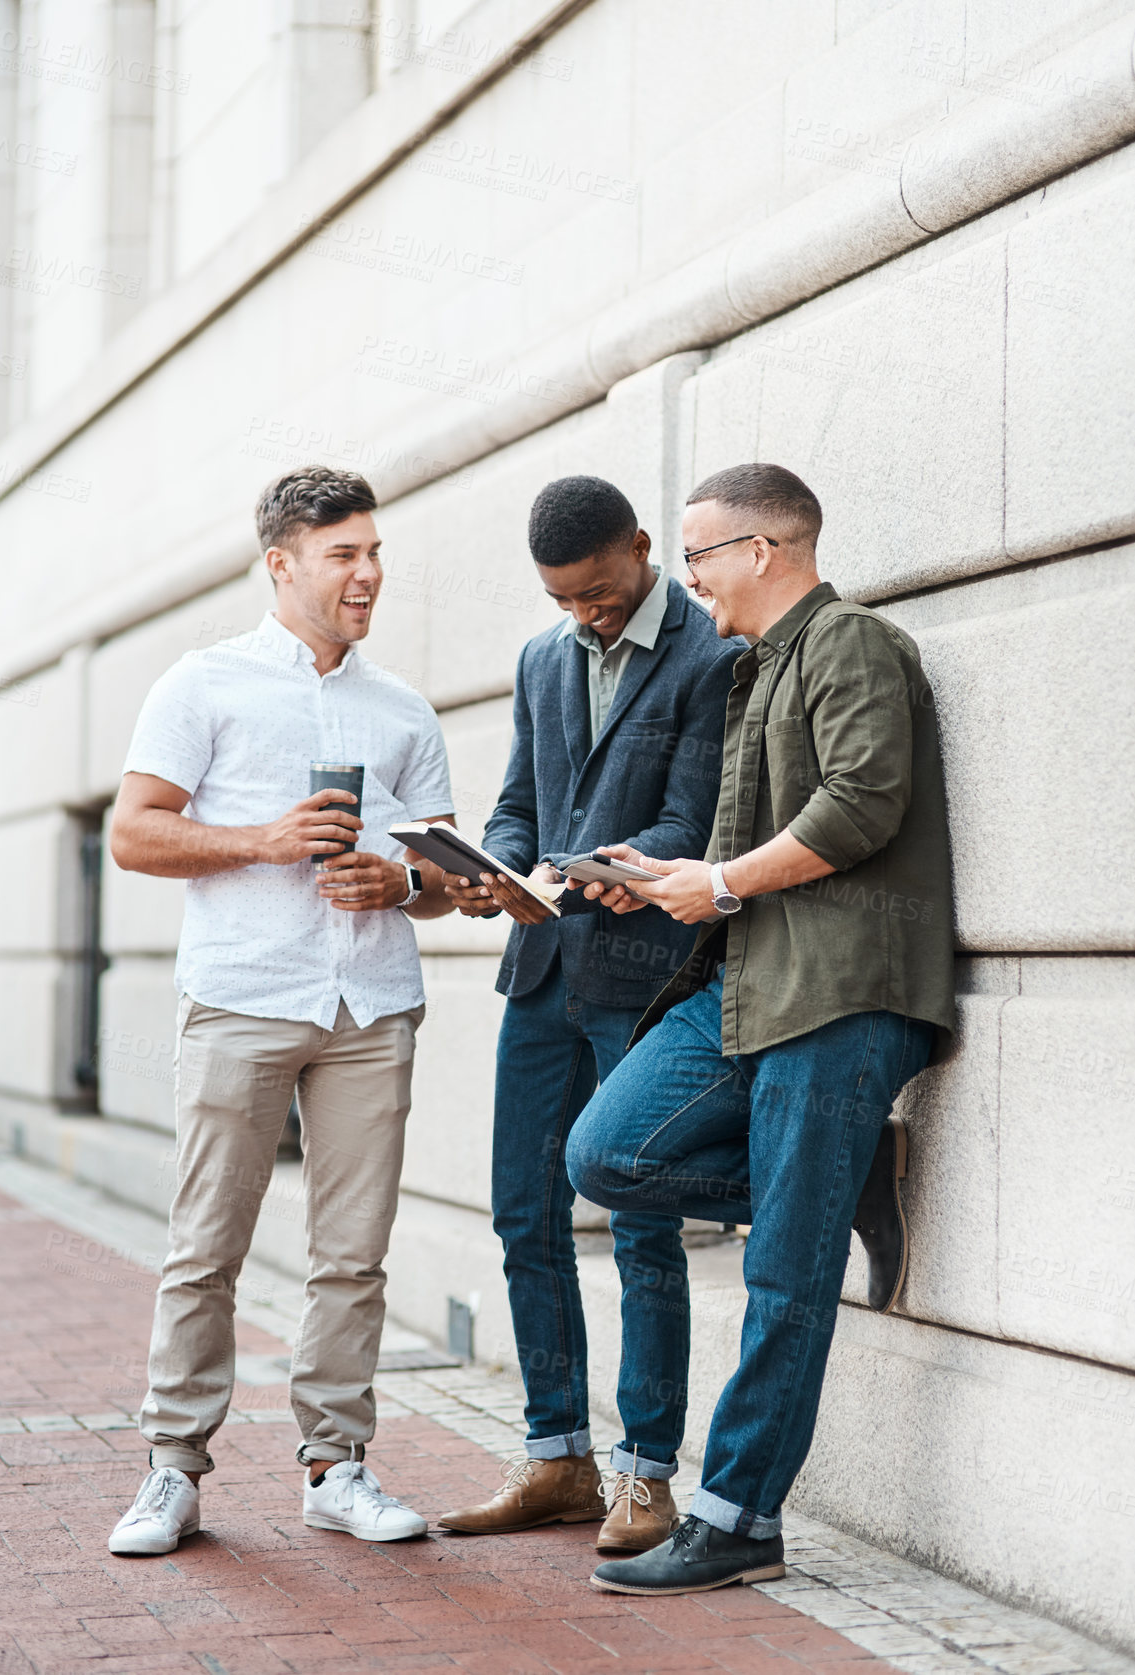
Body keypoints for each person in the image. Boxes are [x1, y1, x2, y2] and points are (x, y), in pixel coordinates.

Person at [566, 463, 955, 1596]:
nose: (685, 581)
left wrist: (724, 881)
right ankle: (843, 1178)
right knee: (608, 1152)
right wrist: (670, 878)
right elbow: (743, 854)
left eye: (695, 556)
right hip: (747, 983)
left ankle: (736, 1518)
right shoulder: (753, 671)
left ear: (762, 551)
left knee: (785, 1269)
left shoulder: (852, 646)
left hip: (838, 988)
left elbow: (861, 800)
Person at [106, 467, 455, 1556]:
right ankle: (172, 1469)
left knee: (352, 1253)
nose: (368, 573)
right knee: (205, 1244)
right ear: (283, 564)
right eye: (344, 553)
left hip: (371, 1003)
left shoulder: (400, 708)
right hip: (244, 997)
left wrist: (401, 883)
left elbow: (445, 865)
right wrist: (261, 840)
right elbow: (132, 832)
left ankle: (334, 1466)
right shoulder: (201, 685)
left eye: (373, 551)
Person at [437, 476, 737, 1553]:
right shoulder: (538, 659)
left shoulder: (711, 654)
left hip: (646, 977)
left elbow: (693, 815)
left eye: (599, 593)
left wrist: (629, 866)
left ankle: (645, 1475)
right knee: (523, 1215)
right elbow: (524, 801)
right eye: (563, 599)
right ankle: (555, 1456)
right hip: (540, 970)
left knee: (640, 1223)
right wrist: (493, 865)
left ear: (643, 551)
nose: (584, 615)